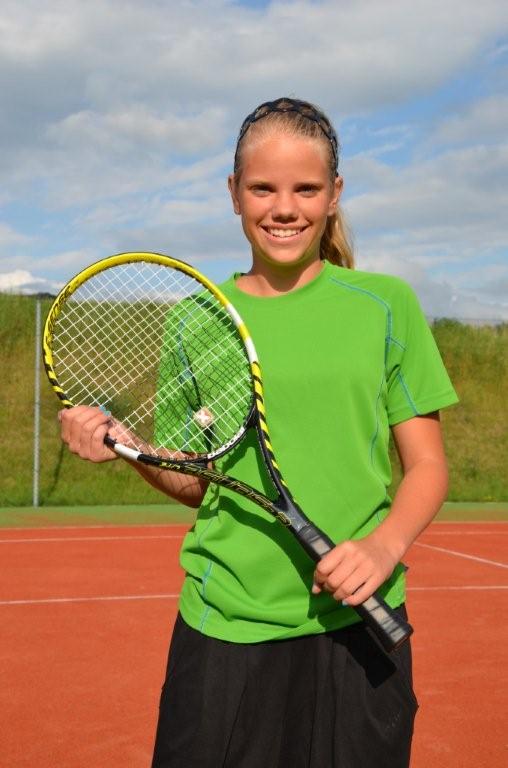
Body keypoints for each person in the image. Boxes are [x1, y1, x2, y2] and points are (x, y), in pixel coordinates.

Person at [59, 97, 458, 767]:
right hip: (226, 626)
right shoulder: (196, 319)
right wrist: (128, 447)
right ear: (233, 194)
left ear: (335, 194)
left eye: (307, 189)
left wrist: (382, 548)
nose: (284, 208)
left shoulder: (386, 305)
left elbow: (428, 466)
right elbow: (199, 482)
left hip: (359, 625)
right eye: (263, 188)